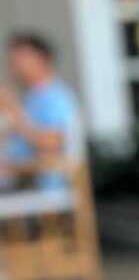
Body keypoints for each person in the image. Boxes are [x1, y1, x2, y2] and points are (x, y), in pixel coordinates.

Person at [0, 32, 81, 191]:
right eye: (12, 59)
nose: (14, 64)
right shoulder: (31, 99)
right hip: (19, 181)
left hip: (41, 184)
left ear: (43, 58)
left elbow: (51, 143)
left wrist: (14, 112)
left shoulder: (57, 97)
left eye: (20, 57)